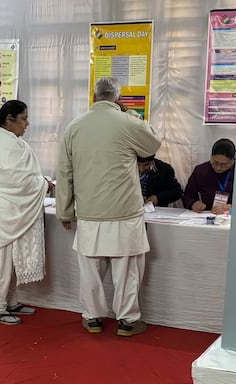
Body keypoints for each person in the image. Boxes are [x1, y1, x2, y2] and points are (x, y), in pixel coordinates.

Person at [56, 77, 161, 337]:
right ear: (118, 98)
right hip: (124, 210)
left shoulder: (74, 127)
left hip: (90, 211)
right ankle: (128, 321)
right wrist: (134, 115)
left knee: (90, 270)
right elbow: (153, 144)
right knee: (126, 271)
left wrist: (65, 210)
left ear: (94, 96)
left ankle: (92, 318)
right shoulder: (127, 121)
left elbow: (65, 172)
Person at [0, 100, 54, 325]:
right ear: (9, 120)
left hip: (13, 209)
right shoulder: (1, 144)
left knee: (13, 258)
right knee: (2, 260)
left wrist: (39, 182)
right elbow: (15, 180)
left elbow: (19, 177)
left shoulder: (8, 142)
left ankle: (10, 302)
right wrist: (42, 184)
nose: (27, 123)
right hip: (4, 212)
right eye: (23, 118)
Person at [182, 138, 236, 215]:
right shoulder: (201, 171)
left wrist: (230, 207)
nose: (218, 168)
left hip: (232, 216)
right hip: (207, 215)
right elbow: (187, 196)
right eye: (215, 162)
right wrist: (193, 204)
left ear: (232, 160)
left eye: (223, 164)